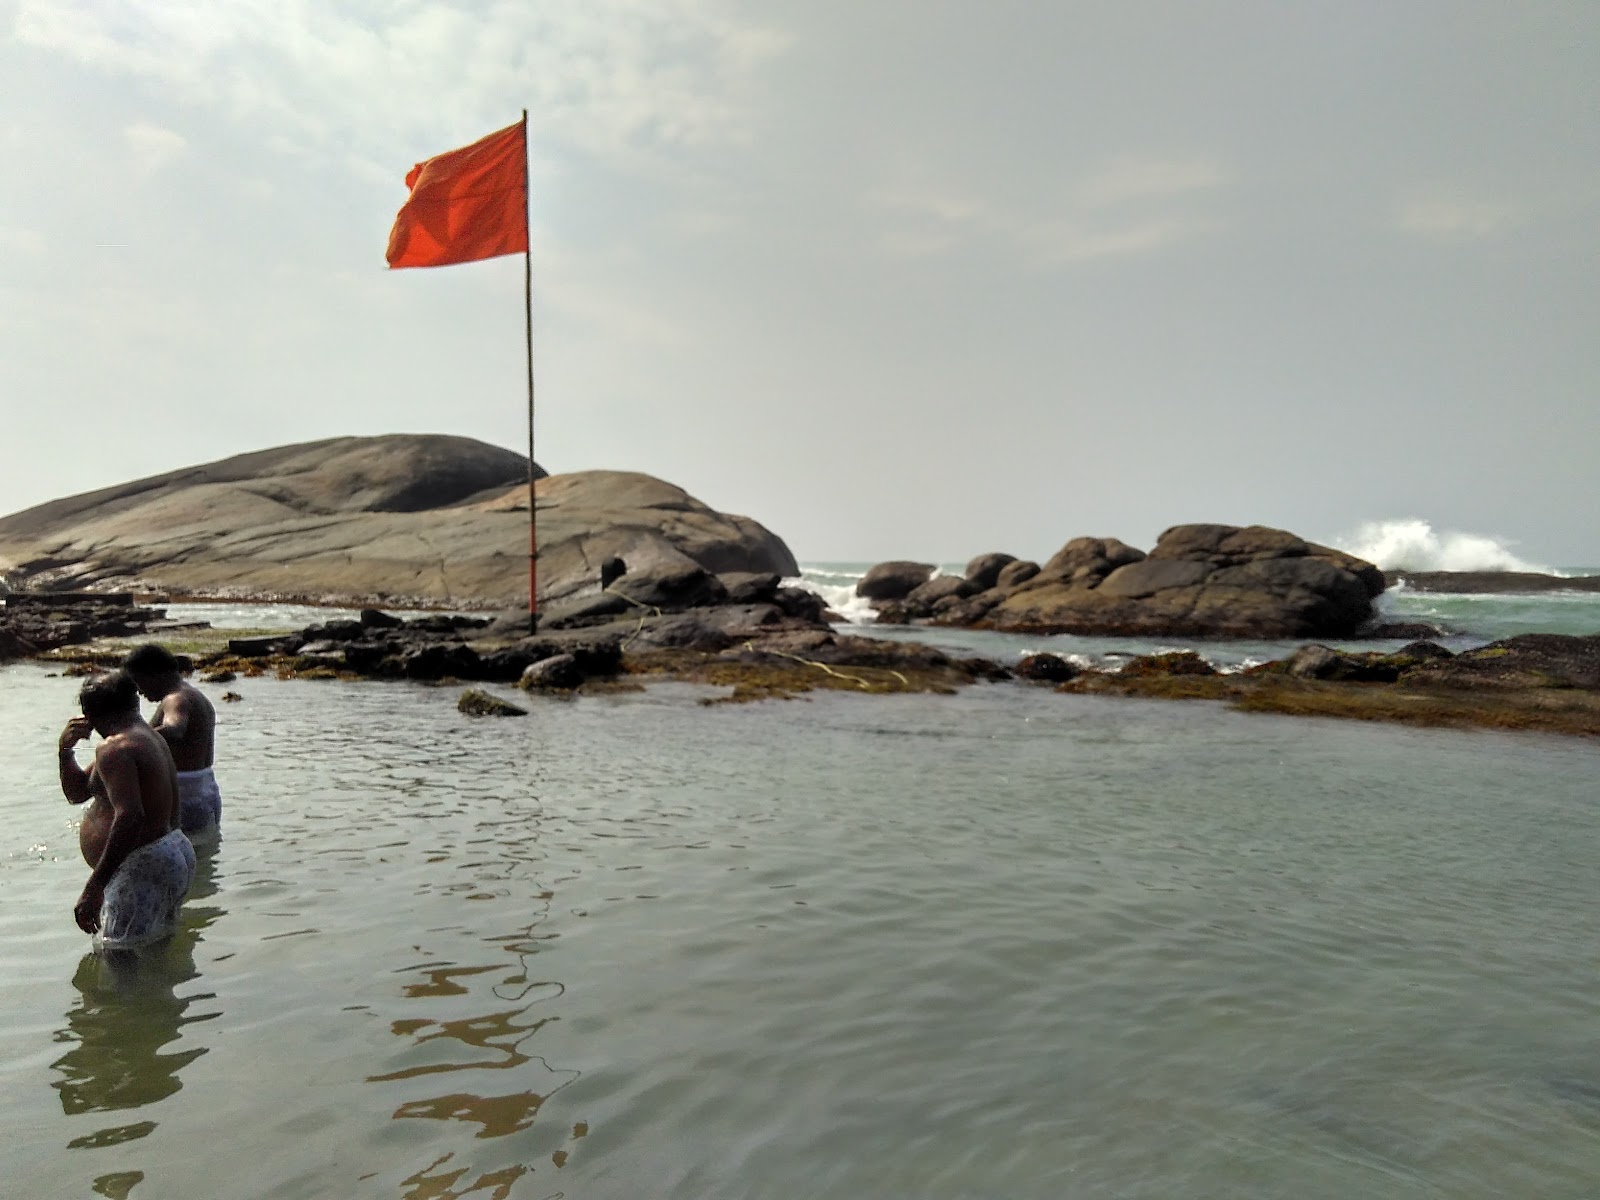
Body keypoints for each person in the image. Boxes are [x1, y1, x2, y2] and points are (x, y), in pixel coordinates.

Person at [58, 670, 196, 950]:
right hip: (172, 853)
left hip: (143, 864)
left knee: (118, 960)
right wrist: (65, 751)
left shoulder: (115, 749)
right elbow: (78, 792)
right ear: (134, 704)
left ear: (88, 713)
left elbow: (131, 816)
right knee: (154, 950)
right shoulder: (146, 737)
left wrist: (94, 886)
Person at [124, 643, 221, 841]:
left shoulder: (175, 699)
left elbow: (174, 729)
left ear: (153, 674)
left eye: (138, 682)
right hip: (206, 790)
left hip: (183, 796)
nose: (139, 692)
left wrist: (127, 741)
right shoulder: (196, 695)